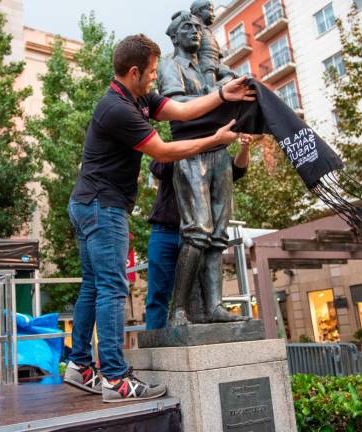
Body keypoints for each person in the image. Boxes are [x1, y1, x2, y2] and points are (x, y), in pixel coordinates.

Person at [62, 34, 254, 403]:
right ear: (133, 72)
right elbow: (163, 152)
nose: (155, 78)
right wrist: (215, 140)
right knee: (113, 288)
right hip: (103, 206)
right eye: (151, 72)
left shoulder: (138, 98)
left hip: (89, 203)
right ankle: (116, 378)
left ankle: (80, 364)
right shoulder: (116, 109)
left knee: (92, 285)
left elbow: (182, 111)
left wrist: (222, 95)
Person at [145, 134, 259, 330]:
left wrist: (244, 148)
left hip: (197, 236)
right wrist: (188, 148)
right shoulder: (179, 144)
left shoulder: (217, 155)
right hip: (166, 230)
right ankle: (155, 341)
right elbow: (158, 167)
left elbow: (237, 169)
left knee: (197, 293)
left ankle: (192, 327)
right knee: (158, 292)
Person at [190, 0, 237, 90]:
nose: (213, 14)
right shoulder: (195, 30)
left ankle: (218, 87)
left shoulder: (209, 32)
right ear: (199, 12)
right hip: (206, 67)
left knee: (233, 75)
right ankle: (211, 90)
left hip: (217, 65)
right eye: (210, 10)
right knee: (210, 82)